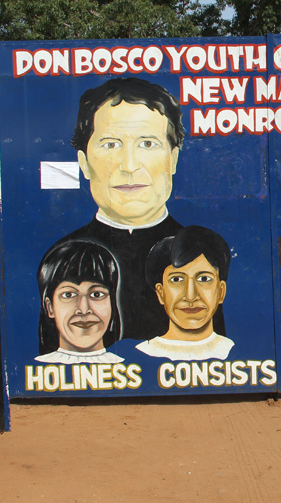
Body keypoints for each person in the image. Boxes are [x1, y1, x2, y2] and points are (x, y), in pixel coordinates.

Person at [55, 77, 195, 343]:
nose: (129, 165)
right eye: (110, 144)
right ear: (84, 163)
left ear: (172, 158)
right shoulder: (62, 258)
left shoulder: (200, 254)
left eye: (147, 144)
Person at [134, 225, 235, 361]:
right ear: (161, 292)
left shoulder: (237, 352)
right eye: (177, 279)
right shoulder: (138, 355)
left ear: (221, 291)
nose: (190, 296)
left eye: (204, 279)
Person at [35, 239, 125, 364]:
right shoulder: (35, 368)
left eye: (96, 294)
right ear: (50, 307)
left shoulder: (131, 365)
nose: (83, 309)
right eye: (69, 295)